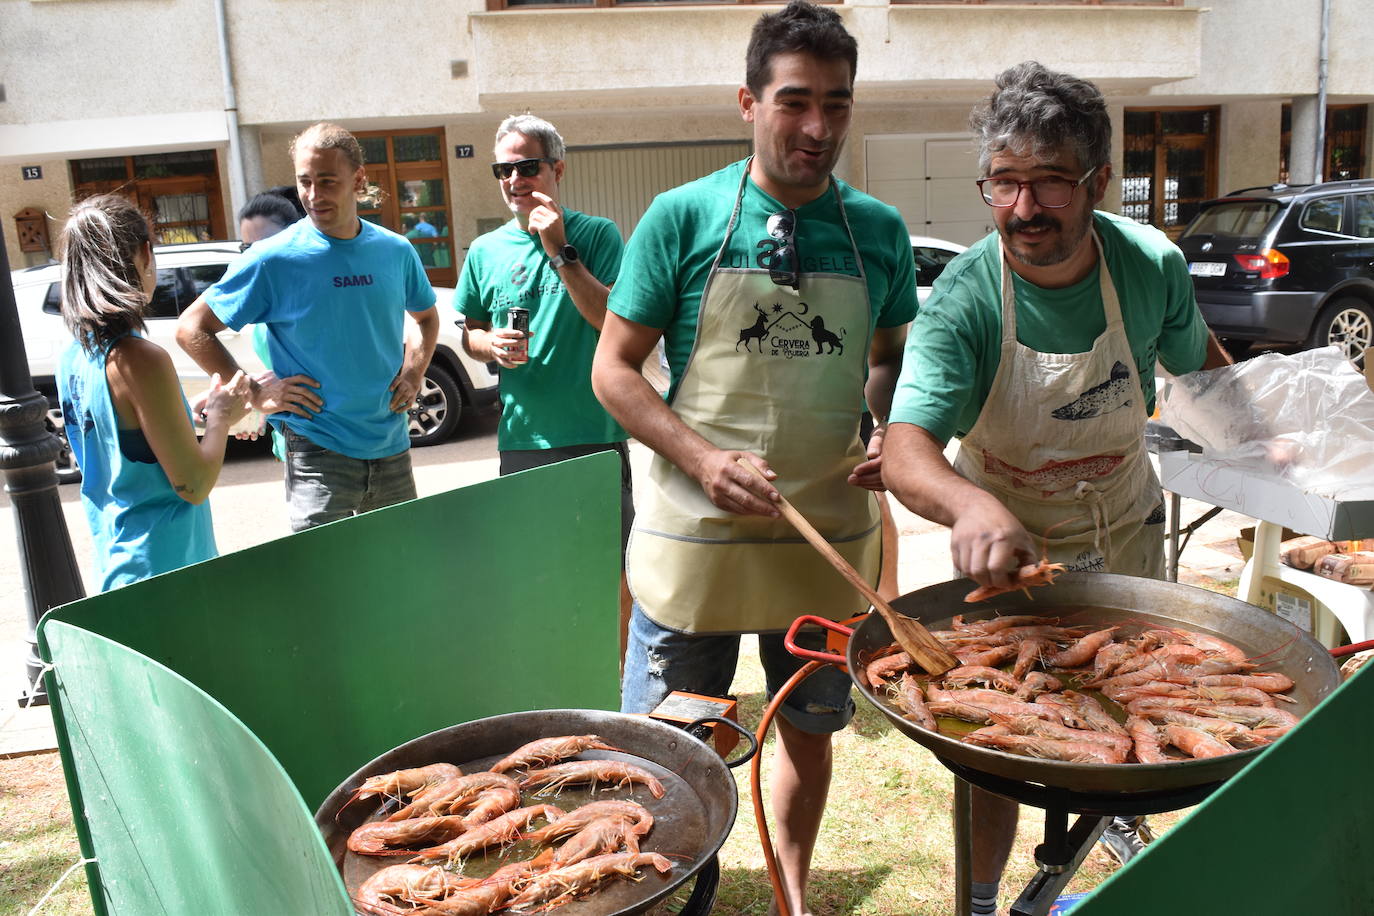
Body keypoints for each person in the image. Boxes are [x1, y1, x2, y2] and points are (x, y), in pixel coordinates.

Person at [880, 62, 1232, 914]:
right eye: (1004, 184)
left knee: (1137, 707)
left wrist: (1271, 439)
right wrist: (968, 505)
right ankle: (981, 899)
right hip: (1009, 560)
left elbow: (1207, 377)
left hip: (1125, 537)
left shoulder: (1149, 264)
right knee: (1001, 739)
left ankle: (1107, 841)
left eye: (1048, 184)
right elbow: (904, 447)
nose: (1024, 210)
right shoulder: (965, 299)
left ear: (1099, 182)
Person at [591, 4, 915, 913]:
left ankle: (792, 894)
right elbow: (612, 372)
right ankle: (672, 897)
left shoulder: (879, 233)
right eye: (794, 102)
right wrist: (699, 458)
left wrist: (888, 430)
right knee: (671, 748)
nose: (818, 128)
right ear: (748, 101)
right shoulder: (681, 217)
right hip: (693, 545)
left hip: (826, 546)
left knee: (808, 732)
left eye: (837, 105)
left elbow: (889, 358)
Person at [177, 122, 440, 532]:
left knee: (398, 574)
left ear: (358, 180)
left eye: (327, 181)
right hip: (317, 452)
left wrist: (415, 370)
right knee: (325, 585)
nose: (313, 195)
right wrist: (254, 391)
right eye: (305, 182)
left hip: (391, 447)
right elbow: (192, 328)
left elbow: (426, 317)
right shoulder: (273, 258)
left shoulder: (395, 250)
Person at [457, 114, 633, 653]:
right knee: (535, 574)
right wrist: (489, 346)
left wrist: (558, 249)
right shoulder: (485, 251)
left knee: (615, 572)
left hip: (595, 435)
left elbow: (609, 318)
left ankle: (621, 686)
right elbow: (470, 332)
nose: (515, 180)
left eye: (527, 167)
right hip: (523, 441)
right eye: (503, 170)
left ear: (557, 168)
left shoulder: (597, 234)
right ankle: (557, 677)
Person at [56, 194, 251, 591]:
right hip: (166, 571)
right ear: (145, 254)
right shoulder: (141, 358)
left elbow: (126, 442)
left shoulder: (73, 357)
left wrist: (192, 413)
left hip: (116, 561)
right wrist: (220, 420)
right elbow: (193, 485)